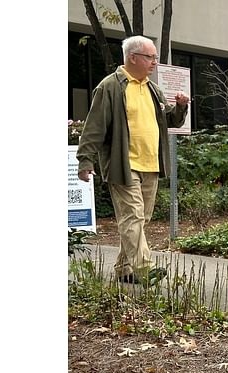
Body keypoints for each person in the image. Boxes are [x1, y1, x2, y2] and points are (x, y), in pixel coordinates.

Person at [76, 35, 190, 285]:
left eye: (155, 57)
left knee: (140, 219)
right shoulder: (110, 87)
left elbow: (170, 121)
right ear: (133, 57)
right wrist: (85, 160)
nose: (155, 62)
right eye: (150, 57)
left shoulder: (153, 89)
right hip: (123, 165)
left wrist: (180, 107)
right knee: (133, 217)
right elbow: (94, 128)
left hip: (151, 164)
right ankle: (144, 268)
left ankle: (124, 268)